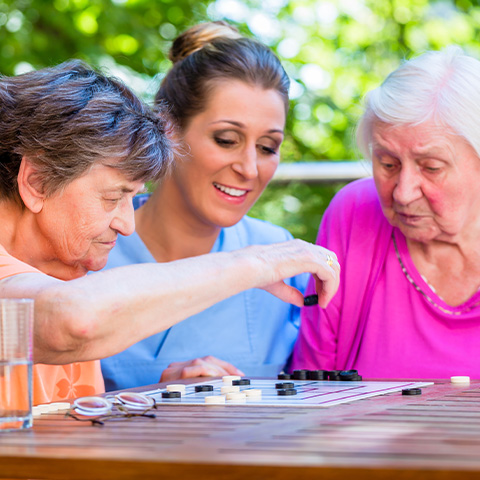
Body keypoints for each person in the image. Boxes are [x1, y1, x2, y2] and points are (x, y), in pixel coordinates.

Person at [0, 59, 339, 405]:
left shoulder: (64, 264)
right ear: (37, 181)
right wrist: (255, 265)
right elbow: (71, 321)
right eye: (113, 197)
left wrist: (156, 396)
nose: (127, 224)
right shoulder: (59, 291)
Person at [100, 21, 309, 391]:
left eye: (267, 147)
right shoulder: (88, 250)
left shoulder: (283, 261)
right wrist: (149, 396)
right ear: (168, 128)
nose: (248, 168)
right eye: (226, 140)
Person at [292, 46, 480, 379]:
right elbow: (312, 384)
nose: (403, 192)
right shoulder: (354, 214)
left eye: (431, 167)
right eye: (388, 164)